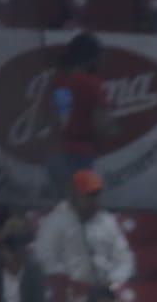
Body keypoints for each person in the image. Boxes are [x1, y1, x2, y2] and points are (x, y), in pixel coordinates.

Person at [33, 169, 135, 289]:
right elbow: (43, 259)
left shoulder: (107, 221)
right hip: (69, 289)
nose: (94, 200)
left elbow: (125, 259)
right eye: (89, 195)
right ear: (74, 195)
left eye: (96, 194)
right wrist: (68, 280)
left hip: (105, 289)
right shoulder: (55, 221)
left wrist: (112, 282)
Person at [46, 33, 111, 197]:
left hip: (56, 154)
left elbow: (54, 121)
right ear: (91, 59)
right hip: (81, 154)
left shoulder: (59, 82)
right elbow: (101, 125)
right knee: (80, 204)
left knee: (59, 205)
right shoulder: (93, 85)